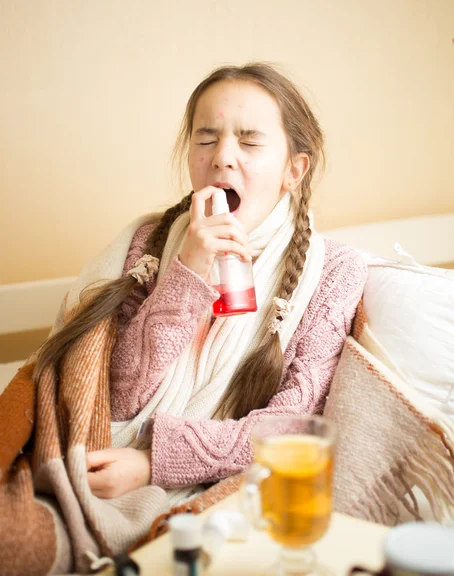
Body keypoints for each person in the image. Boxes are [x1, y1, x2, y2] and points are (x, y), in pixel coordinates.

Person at [34, 62, 368, 505]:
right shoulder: (145, 245)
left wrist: (155, 462)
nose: (222, 157)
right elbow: (110, 405)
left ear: (294, 170)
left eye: (249, 141)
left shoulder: (335, 273)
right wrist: (186, 275)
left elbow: (294, 424)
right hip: (98, 467)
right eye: (206, 138)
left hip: (224, 495)